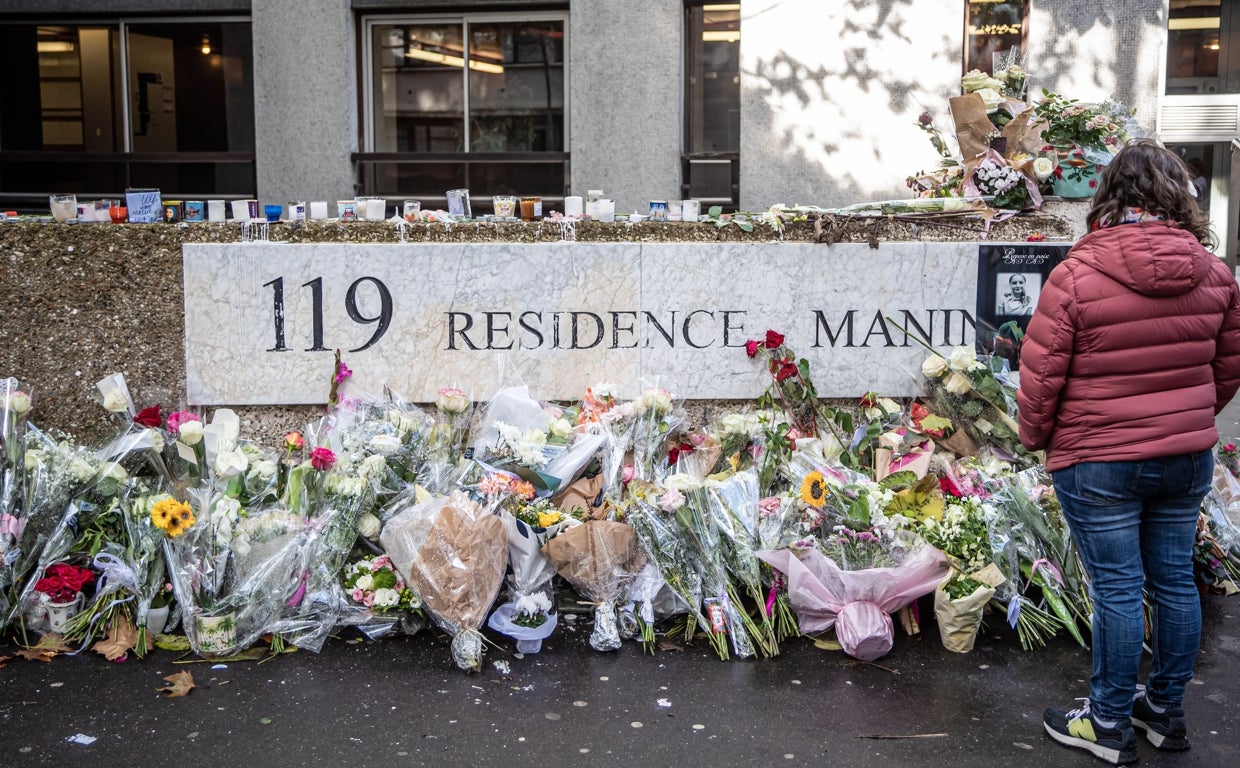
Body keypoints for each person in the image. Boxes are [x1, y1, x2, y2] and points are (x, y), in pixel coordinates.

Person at [1017, 139, 1240, 765]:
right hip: (1184, 456)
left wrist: (1037, 437)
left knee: (1117, 588)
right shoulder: (1215, 272)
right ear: (1180, 196)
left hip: (1099, 457)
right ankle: (1165, 712)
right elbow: (1227, 367)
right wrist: (1186, 421)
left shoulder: (1079, 274)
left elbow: (1040, 376)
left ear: (1109, 195)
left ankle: (1108, 721)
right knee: (1173, 580)